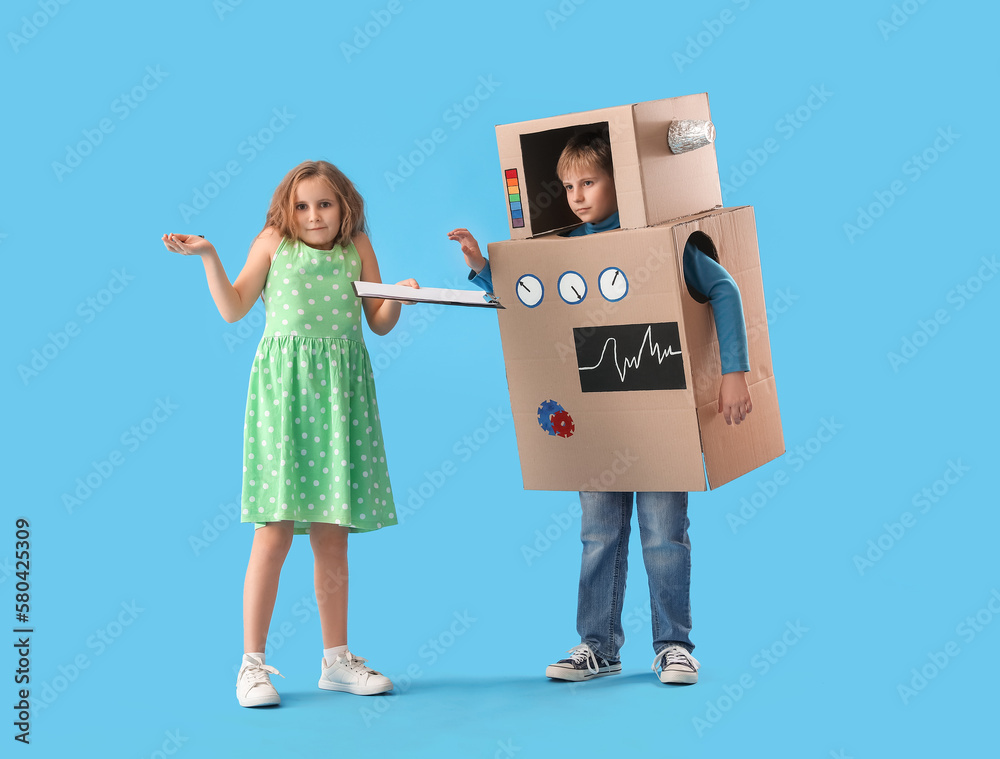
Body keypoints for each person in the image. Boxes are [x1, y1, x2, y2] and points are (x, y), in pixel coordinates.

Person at [448, 132, 752, 685]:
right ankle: (598, 645)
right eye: (568, 187)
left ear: (622, 181)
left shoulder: (664, 243)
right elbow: (526, 293)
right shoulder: (563, 245)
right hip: (596, 418)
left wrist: (734, 373)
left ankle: (674, 645)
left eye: (589, 182)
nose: (578, 196)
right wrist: (481, 267)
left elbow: (726, 289)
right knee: (598, 536)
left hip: (657, 414)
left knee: (664, 533)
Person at [163, 160, 418, 707]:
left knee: (333, 533)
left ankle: (336, 660)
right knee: (274, 529)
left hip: (341, 396)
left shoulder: (358, 245)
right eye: (302, 205)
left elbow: (378, 320)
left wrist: (399, 294)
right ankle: (251, 665)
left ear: (344, 206)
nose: (313, 214)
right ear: (287, 210)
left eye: (324, 203)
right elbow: (234, 308)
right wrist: (209, 255)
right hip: (287, 397)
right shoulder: (275, 241)